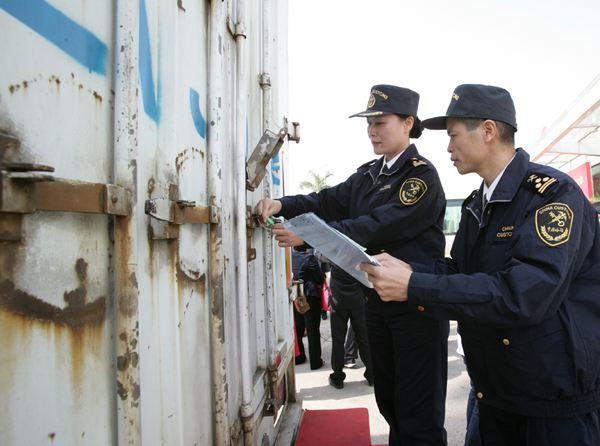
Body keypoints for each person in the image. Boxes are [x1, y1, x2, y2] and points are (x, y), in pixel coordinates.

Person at [361, 84, 600, 445]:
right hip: (494, 395)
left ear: (488, 131)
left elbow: (523, 294)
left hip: (550, 407)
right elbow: (463, 273)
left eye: (454, 135)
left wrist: (414, 286)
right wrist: (408, 270)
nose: (448, 146)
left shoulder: (552, 195)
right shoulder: (478, 204)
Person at [256, 84, 449, 445]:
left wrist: (310, 235)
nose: (373, 130)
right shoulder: (368, 174)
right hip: (376, 301)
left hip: (416, 305)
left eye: (381, 121)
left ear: (408, 123)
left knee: (418, 413)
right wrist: (283, 204)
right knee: (389, 400)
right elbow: (326, 199)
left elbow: (379, 223)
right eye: (369, 123)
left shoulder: (421, 176)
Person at [292, 248, 325, 370]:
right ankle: (315, 362)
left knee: (299, 329)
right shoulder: (309, 258)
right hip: (310, 297)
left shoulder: (290, 256)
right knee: (313, 331)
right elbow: (319, 279)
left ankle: (299, 357)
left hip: (296, 296)